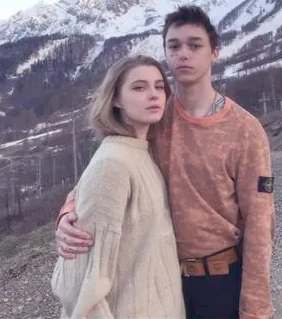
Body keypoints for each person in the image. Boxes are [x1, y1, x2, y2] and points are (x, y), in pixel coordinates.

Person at [56, 5, 276, 319]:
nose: (183, 54)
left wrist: (255, 307)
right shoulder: (153, 117)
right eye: (173, 46)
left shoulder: (244, 130)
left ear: (214, 52)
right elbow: (104, 172)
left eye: (194, 45)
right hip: (156, 281)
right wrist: (68, 213)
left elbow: (260, 221)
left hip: (218, 282)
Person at [51, 55, 185, 319]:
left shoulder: (141, 151)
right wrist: (66, 216)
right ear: (115, 99)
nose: (153, 94)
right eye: (139, 87)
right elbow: (81, 283)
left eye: (159, 86)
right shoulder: (112, 163)